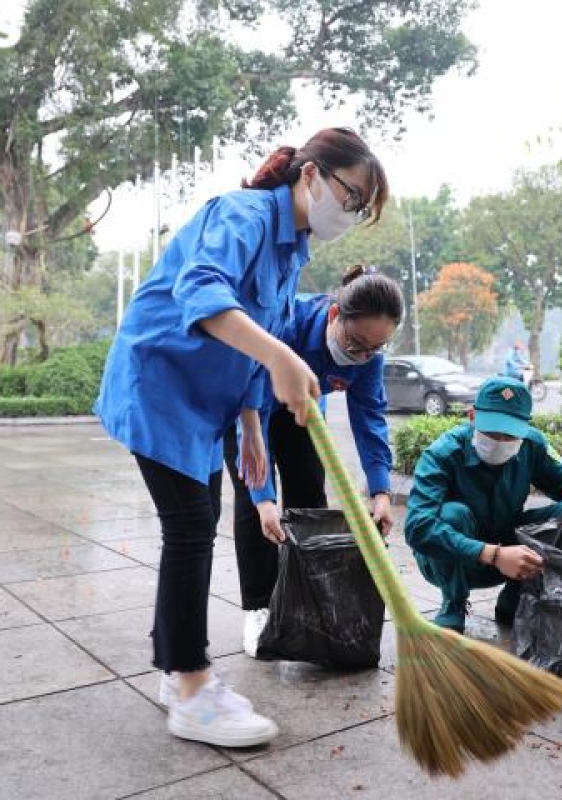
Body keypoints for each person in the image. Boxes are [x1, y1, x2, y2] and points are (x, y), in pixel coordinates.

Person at [95, 128, 388, 749]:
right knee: (191, 527)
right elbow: (202, 293)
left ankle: (180, 673)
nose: (353, 211)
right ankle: (192, 686)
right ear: (310, 175)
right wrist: (282, 359)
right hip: (161, 383)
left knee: (193, 522)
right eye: (352, 193)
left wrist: (253, 420)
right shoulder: (244, 215)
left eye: (361, 206)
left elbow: (258, 335)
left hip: (208, 404)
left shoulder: (293, 250)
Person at [223, 265, 403, 656]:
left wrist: (381, 491)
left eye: (375, 349)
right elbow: (253, 403)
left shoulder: (367, 359)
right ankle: (259, 607)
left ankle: (306, 598)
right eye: (355, 345)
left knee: (308, 496)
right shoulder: (286, 324)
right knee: (255, 508)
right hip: (249, 408)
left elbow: (370, 421)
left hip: (304, 412)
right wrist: (263, 497)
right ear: (336, 315)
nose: (361, 356)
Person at [404, 377, 562, 634]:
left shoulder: (532, 445)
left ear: (525, 428)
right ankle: (453, 603)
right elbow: (417, 528)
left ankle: (516, 596)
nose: (499, 440)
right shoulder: (442, 454)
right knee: (453, 514)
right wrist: (493, 554)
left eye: (509, 434)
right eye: (490, 431)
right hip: (454, 561)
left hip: (511, 550)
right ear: (472, 416)